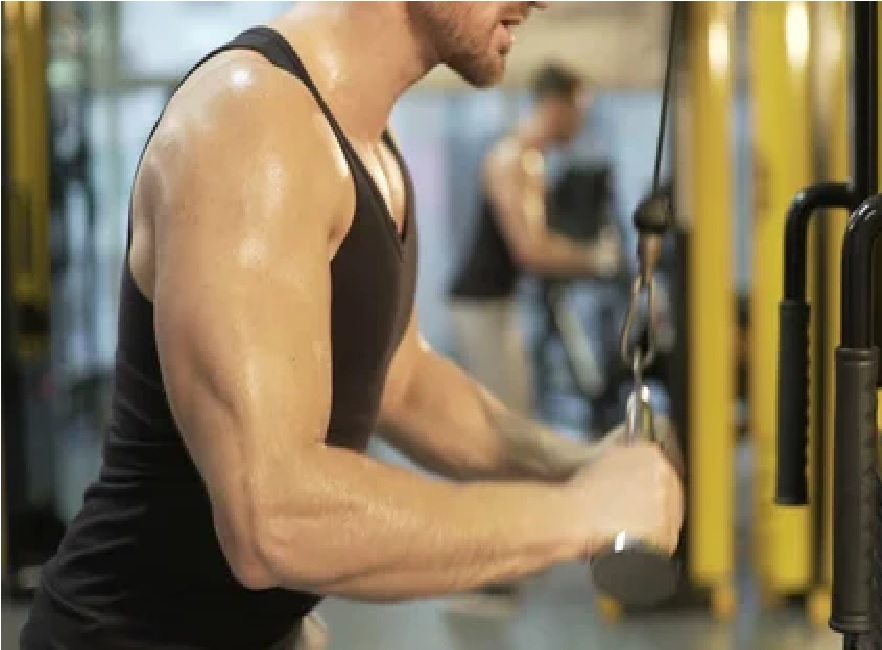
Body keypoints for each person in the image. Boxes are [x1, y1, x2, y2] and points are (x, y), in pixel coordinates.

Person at [20, 4, 684, 649]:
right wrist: (579, 515)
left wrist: (574, 466)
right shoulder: (253, 122)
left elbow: (403, 382)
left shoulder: (370, 141)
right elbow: (276, 519)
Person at [449, 62, 620, 420]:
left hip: (502, 302)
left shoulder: (533, 160)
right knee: (504, 420)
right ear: (556, 106)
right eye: (579, 111)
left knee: (517, 411)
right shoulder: (513, 159)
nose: (582, 123)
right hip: (481, 306)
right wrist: (596, 260)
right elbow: (531, 250)